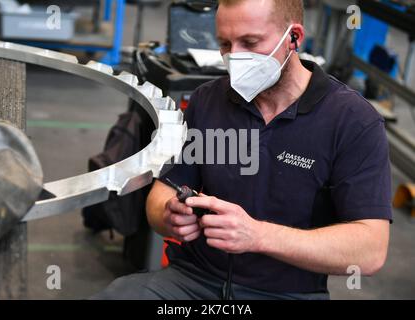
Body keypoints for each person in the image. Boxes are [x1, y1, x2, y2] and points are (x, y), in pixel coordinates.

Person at [93, 0, 392, 300]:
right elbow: (161, 194)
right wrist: (169, 215)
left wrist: (258, 236)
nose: (235, 57)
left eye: (250, 42)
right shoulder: (207, 101)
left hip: (287, 294)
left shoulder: (353, 122)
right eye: (225, 44)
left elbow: (370, 251)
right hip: (192, 281)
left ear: (294, 38)